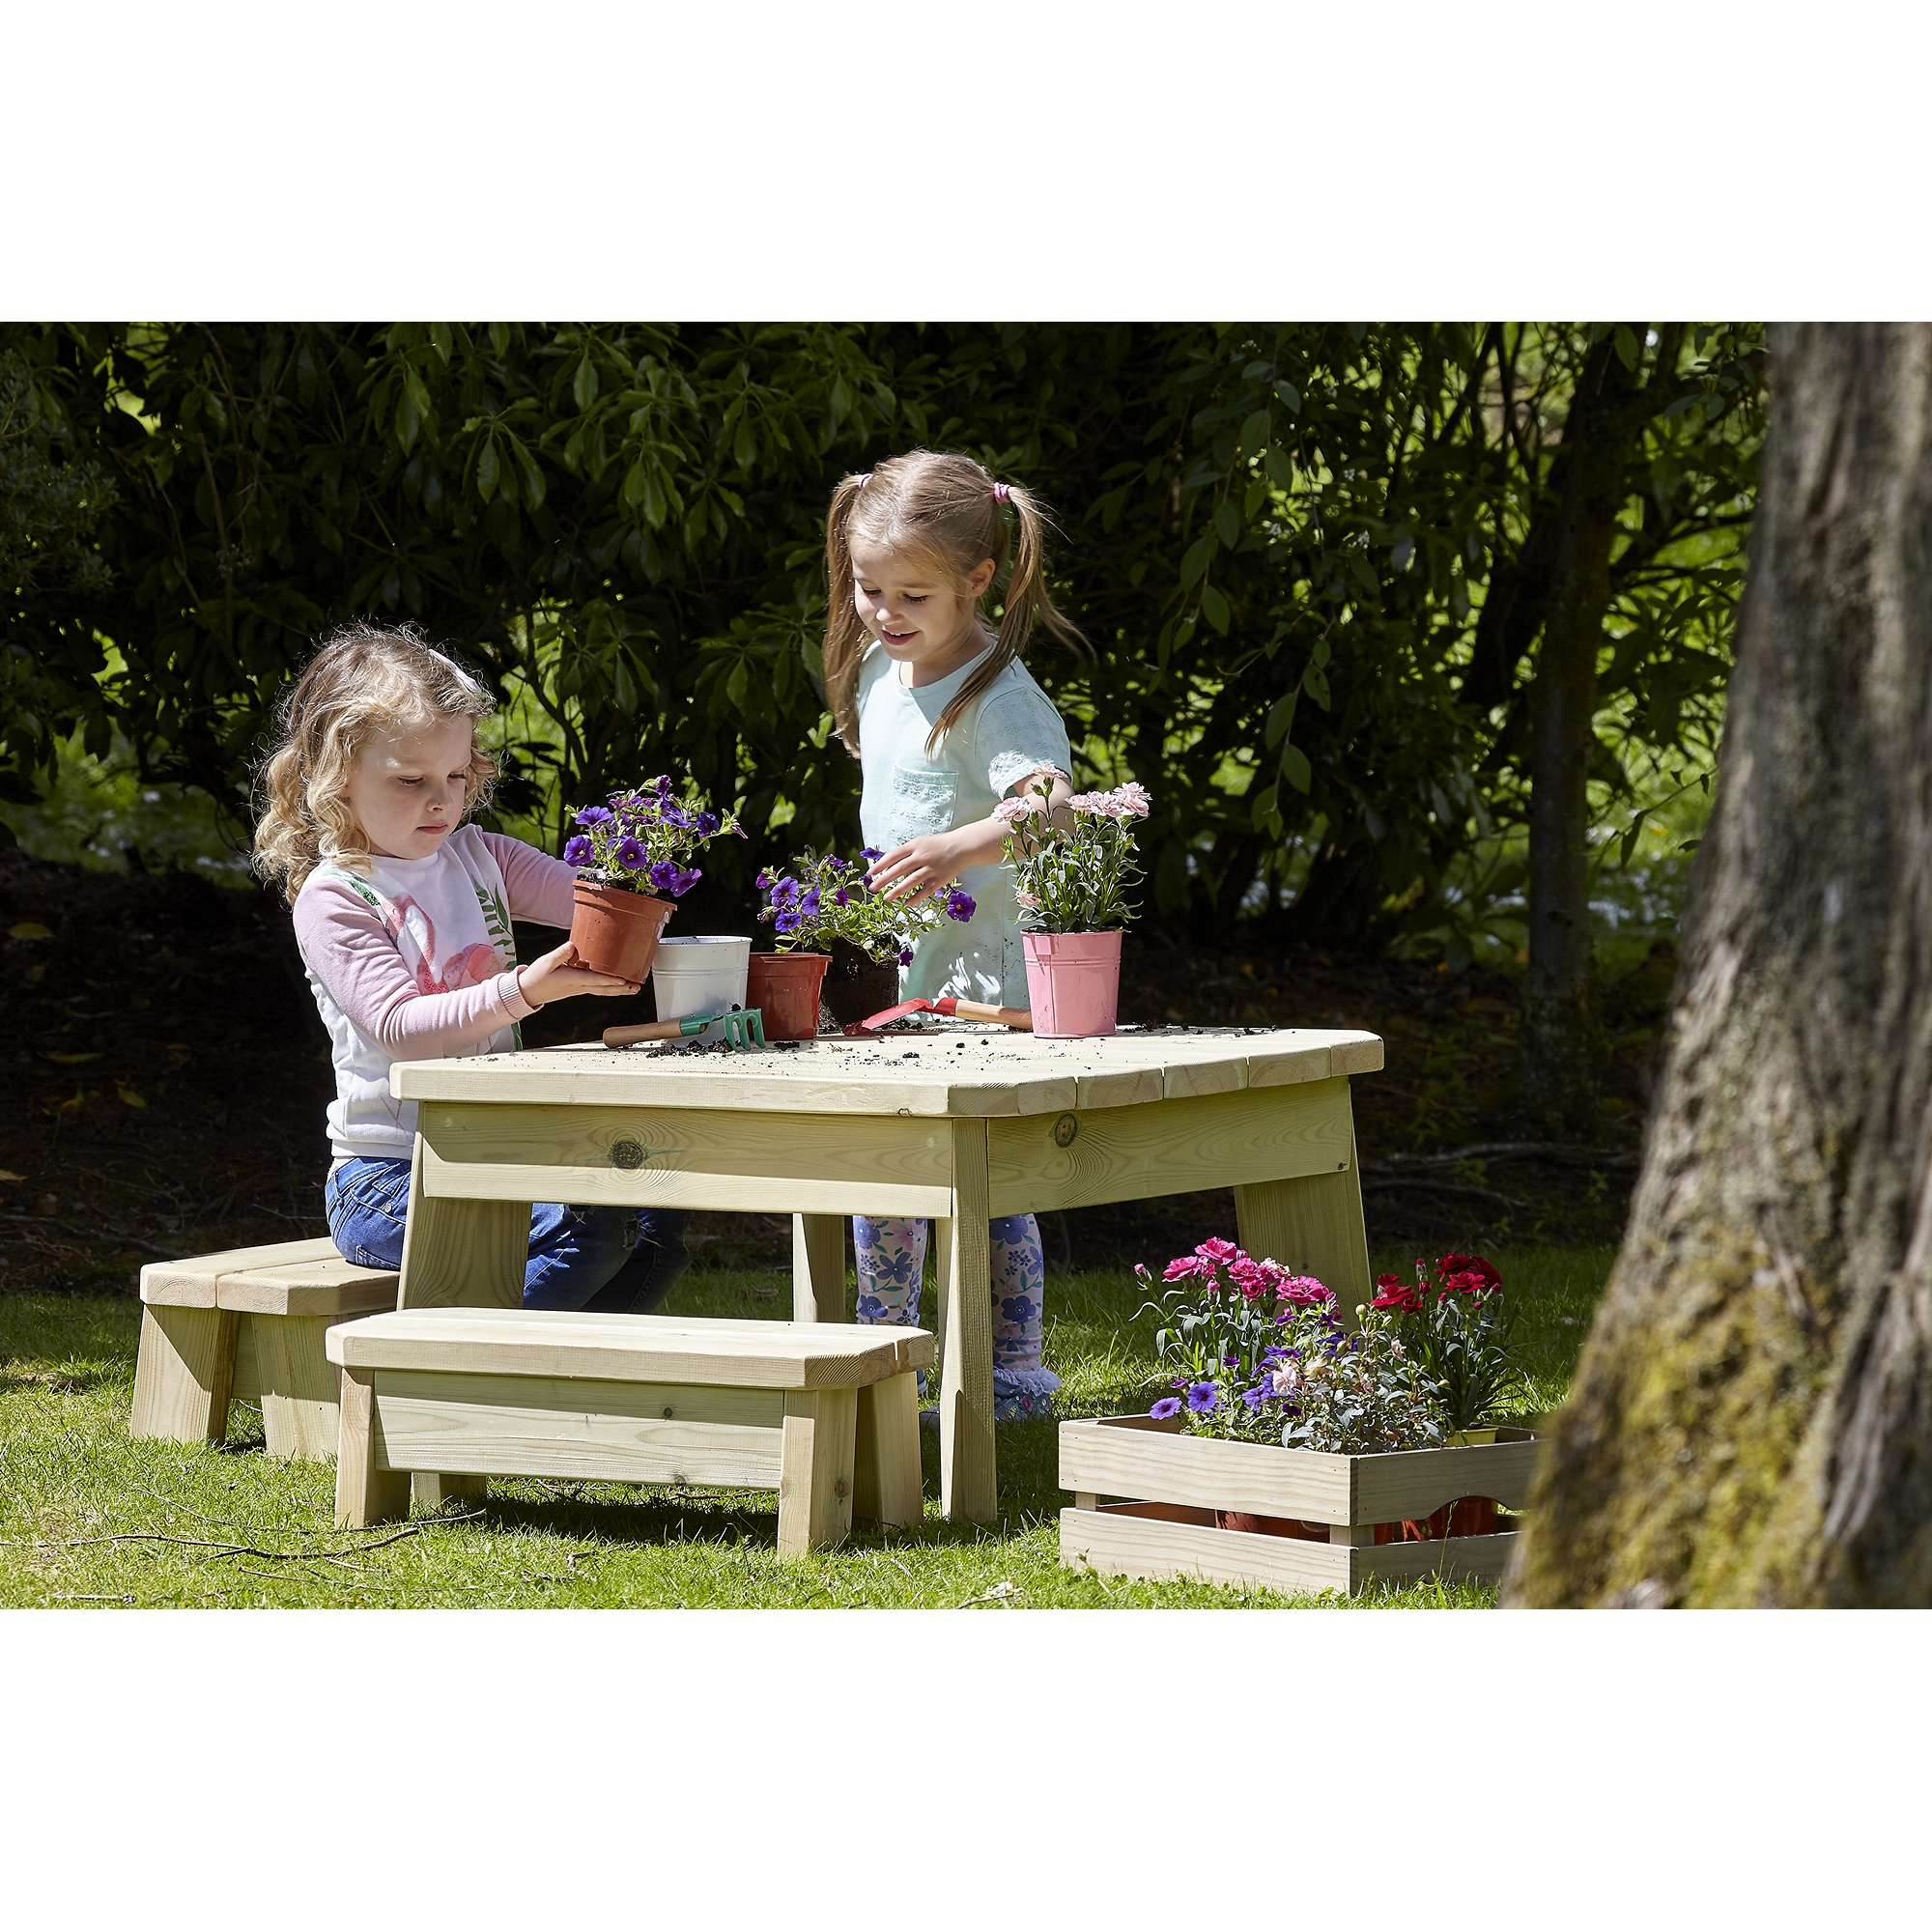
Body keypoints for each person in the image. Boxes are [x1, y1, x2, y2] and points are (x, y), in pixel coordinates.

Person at [252, 622, 690, 1313]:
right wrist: (526, 990)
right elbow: (402, 1030)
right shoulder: (337, 896)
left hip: (490, 1154)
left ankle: (578, 1381)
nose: (441, 799)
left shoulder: (481, 857)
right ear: (333, 775)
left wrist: (647, 874)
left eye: (456, 776)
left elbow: (606, 910)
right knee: (589, 1229)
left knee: (658, 1219)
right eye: (411, 780)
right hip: (387, 1179)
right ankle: (474, 1378)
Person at [822, 449, 1085, 1421]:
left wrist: (958, 846)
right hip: (911, 986)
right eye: (867, 588)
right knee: (887, 1170)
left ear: (978, 578)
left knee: (986, 1186)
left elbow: (1056, 806)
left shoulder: (996, 691)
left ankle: (1010, 1372)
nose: (884, 612)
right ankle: (889, 1361)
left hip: (987, 988)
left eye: (911, 593)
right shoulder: (890, 675)